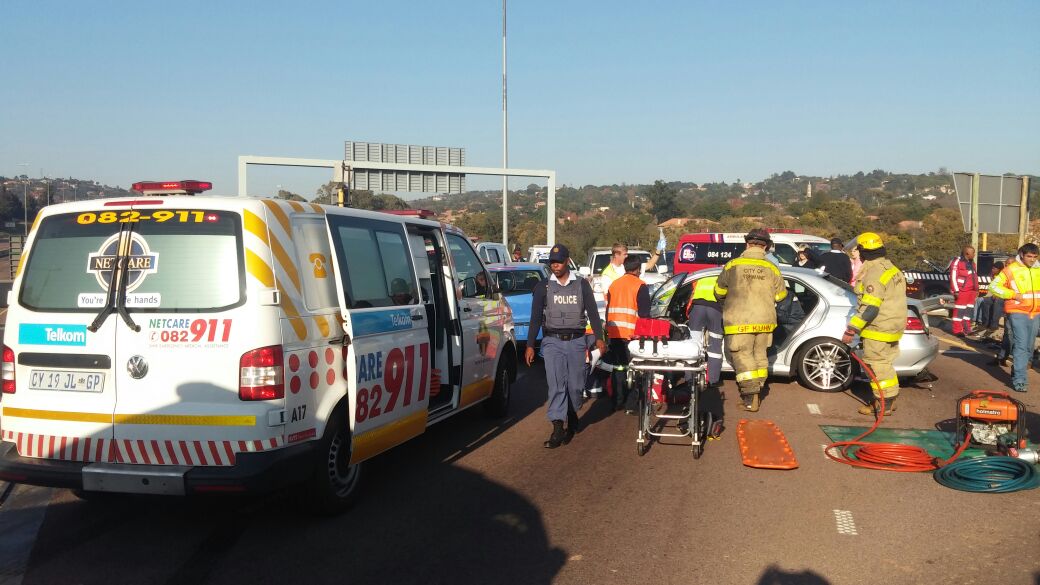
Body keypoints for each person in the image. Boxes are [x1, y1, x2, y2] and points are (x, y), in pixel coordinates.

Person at [526, 244, 606, 448]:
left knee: (576, 385)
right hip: (552, 342)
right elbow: (535, 318)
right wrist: (529, 345)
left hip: (577, 341)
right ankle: (557, 428)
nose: (555, 265)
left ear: (567, 261)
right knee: (556, 385)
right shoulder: (542, 287)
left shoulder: (581, 285)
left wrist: (599, 338)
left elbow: (593, 313)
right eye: (552, 262)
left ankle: (571, 412)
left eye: (559, 261)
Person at [714, 228, 786, 412]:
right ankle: (758, 391)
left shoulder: (733, 265)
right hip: (765, 321)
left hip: (739, 321)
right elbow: (781, 296)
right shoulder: (772, 268)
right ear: (767, 247)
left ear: (747, 244)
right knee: (760, 356)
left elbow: (719, 291)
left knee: (742, 356)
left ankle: (750, 397)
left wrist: (727, 302)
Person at [841, 232, 907, 416]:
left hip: (879, 327)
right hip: (893, 325)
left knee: (876, 365)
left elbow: (871, 308)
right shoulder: (890, 267)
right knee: (885, 364)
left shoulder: (874, 272)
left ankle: (882, 403)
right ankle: (890, 400)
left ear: (863, 251)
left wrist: (852, 328)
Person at [986, 243, 1040, 393]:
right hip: (1017, 312)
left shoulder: (1038, 269)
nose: (1032, 259)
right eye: (1029, 256)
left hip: (1035, 313)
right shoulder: (1011, 270)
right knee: (1022, 346)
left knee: (1029, 347)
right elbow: (994, 287)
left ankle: (1017, 370)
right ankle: (1020, 380)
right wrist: (1013, 295)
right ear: (1022, 254)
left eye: (1035, 257)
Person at [604, 254, 651, 412]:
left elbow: (608, 309)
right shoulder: (640, 285)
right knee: (634, 369)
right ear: (638, 269)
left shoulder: (614, 285)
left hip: (614, 333)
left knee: (618, 368)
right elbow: (645, 315)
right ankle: (632, 405)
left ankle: (617, 401)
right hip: (632, 335)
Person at [687, 275, 724, 387]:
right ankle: (712, 380)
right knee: (715, 345)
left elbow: (691, 293)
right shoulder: (722, 276)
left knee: (693, 343)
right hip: (715, 309)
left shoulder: (702, 275)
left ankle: (690, 378)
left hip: (697, 308)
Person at [948, 246, 979, 337]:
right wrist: (956, 290)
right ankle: (957, 330)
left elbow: (974, 277)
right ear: (967, 253)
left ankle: (967, 329)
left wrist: (976, 289)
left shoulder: (972, 263)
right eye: (973, 253)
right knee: (959, 311)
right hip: (962, 290)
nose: (974, 254)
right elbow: (953, 276)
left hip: (972, 291)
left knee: (968, 310)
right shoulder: (957, 261)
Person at [971, 261, 1005, 341]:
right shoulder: (993, 276)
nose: (992, 270)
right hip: (991, 295)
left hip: (999, 296)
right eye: (992, 268)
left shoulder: (1001, 277)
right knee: (980, 300)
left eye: (994, 268)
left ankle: (989, 324)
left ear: (999, 269)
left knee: (984, 301)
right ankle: (979, 322)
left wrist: (995, 294)